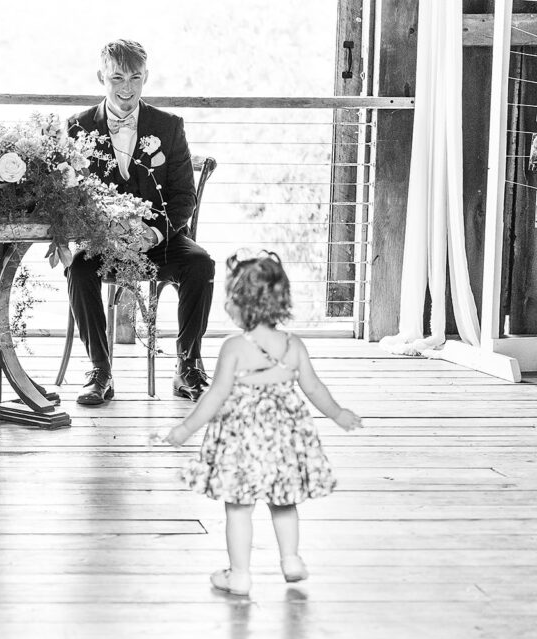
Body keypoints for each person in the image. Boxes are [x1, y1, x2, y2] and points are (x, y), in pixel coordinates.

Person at [160, 252, 362, 596]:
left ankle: (239, 574)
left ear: (239, 304)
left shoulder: (235, 347)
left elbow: (215, 396)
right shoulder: (293, 344)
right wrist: (339, 414)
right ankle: (291, 559)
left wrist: (185, 429)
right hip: (284, 439)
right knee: (283, 501)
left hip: (242, 441)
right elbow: (314, 387)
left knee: (238, 506)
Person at [66, 39, 216, 405]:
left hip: (159, 239)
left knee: (201, 263)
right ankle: (100, 371)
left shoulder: (169, 125)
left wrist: (153, 232)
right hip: (102, 240)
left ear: (146, 77)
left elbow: (184, 197)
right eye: (117, 77)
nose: (127, 87)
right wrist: (102, 231)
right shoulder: (77, 126)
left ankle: (188, 368)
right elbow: (71, 198)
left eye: (135, 77)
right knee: (79, 269)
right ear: (100, 76)